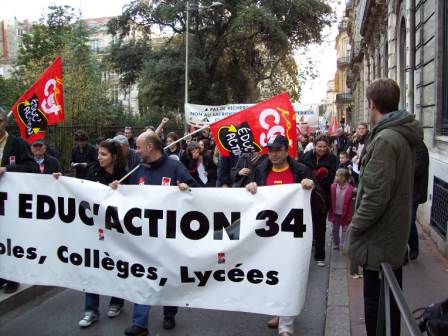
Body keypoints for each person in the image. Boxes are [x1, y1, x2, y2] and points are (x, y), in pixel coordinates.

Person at [345, 78, 423, 336]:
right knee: (388, 303)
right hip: (391, 233)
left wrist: (355, 228)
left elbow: (376, 196)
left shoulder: (386, 139)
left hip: (379, 239)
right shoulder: (395, 134)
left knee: (377, 303)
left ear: (372, 103)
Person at [110, 131, 196, 336]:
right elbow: (128, 195)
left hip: (169, 237)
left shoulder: (175, 167)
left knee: (168, 277)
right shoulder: (139, 169)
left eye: (139, 147)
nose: (136, 151)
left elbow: (196, 192)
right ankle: (140, 324)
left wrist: (186, 188)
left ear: (150, 147)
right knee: (143, 277)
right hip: (144, 236)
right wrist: (116, 189)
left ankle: (169, 312)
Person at [245, 134, 315, 336]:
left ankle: (286, 325)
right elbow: (249, 197)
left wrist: (310, 186)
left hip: (291, 236)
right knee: (272, 276)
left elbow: (316, 198)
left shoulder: (300, 170)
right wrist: (250, 188)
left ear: (287, 150)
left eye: (277, 150)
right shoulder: (260, 170)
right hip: (267, 237)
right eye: (270, 150)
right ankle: (278, 311)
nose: (273, 154)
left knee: (288, 276)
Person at [77, 139, 128, 328]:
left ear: (114, 157)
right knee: (93, 266)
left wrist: (119, 191)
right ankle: (91, 310)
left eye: (103, 154)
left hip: (116, 230)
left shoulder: (125, 175)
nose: (99, 157)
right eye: (98, 153)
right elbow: (81, 191)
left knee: (117, 264)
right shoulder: (92, 171)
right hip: (94, 229)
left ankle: (117, 301)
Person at [0, 109, 38, 294]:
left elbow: (32, 168)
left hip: (10, 202)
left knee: (9, 238)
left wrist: (7, 169)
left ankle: (12, 278)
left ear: (5, 122)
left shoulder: (17, 144)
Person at [299, 134, 337, 266]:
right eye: (319, 146)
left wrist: (320, 177)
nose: (322, 149)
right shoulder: (305, 156)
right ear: (314, 145)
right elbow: (299, 173)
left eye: (324, 147)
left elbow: (332, 178)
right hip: (306, 198)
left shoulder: (332, 159)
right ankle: (303, 252)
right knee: (305, 226)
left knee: (320, 227)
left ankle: (320, 256)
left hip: (321, 198)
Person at [408, 139, 429, 261]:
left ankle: (414, 247)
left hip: (413, 193)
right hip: (403, 191)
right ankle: (403, 253)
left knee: (409, 221)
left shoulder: (420, 147)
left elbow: (416, 169)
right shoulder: (406, 144)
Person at [328, 168, 353, 250]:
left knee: (344, 229)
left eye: (337, 176)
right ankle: (336, 243)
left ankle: (343, 244)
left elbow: (350, 204)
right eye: (336, 175)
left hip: (345, 213)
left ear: (343, 178)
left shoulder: (350, 189)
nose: (335, 177)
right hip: (335, 212)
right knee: (335, 229)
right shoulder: (333, 187)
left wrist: (350, 215)